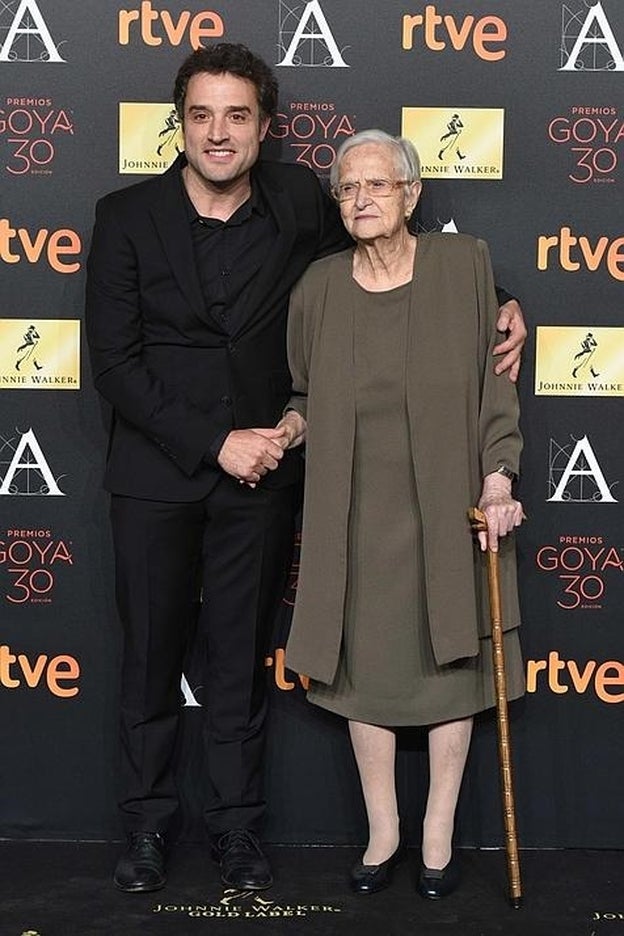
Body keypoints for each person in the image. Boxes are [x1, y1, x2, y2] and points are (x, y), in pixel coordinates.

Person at [85, 44, 526, 895]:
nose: (220, 133)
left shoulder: (299, 202)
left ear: (264, 128)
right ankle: (145, 829)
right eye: (203, 115)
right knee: (147, 661)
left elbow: (399, 253)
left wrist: (503, 297)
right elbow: (115, 365)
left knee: (241, 661)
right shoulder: (124, 217)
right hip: (156, 477)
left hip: (265, 483)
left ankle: (237, 834)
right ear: (180, 124)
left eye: (238, 115)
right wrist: (215, 443)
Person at [282, 129, 525, 900]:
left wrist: (497, 483)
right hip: (354, 515)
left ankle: (437, 835)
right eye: (348, 188)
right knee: (369, 678)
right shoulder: (317, 287)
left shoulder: (465, 267)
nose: (361, 200)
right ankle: (383, 831)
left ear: (413, 195)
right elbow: (301, 393)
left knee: (452, 674)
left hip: (449, 509)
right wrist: (284, 430)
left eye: (379, 186)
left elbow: (495, 397)